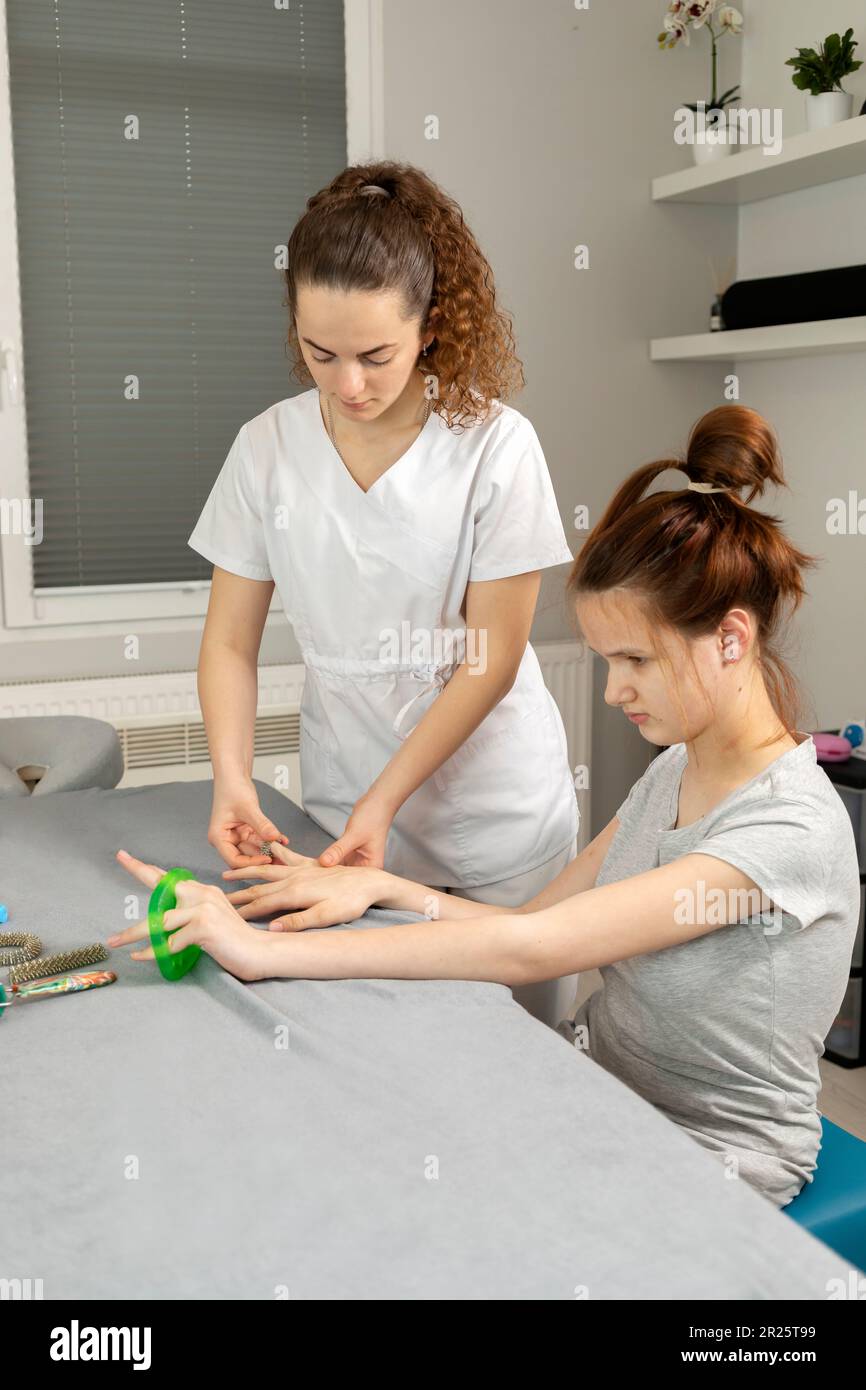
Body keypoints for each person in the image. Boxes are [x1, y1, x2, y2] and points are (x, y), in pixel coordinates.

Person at [111, 402, 861, 1208]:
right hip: (597, 1092)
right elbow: (530, 920)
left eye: (635, 660)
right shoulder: (675, 771)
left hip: (712, 1157)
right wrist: (384, 890)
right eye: (609, 661)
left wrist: (265, 953)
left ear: (732, 639)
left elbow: (534, 951)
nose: (613, 692)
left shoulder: (788, 829)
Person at [184, 160, 580, 1026]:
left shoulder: (496, 448)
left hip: (491, 819)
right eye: (320, 354)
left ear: (432, 324)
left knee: (522, 1068)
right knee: (372, 1057)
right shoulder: (266, 450)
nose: (349, 384)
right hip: (342, 807)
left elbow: (493, 658)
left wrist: (387, 799)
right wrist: (232, 778)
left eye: (376, 356)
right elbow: (227, 643)